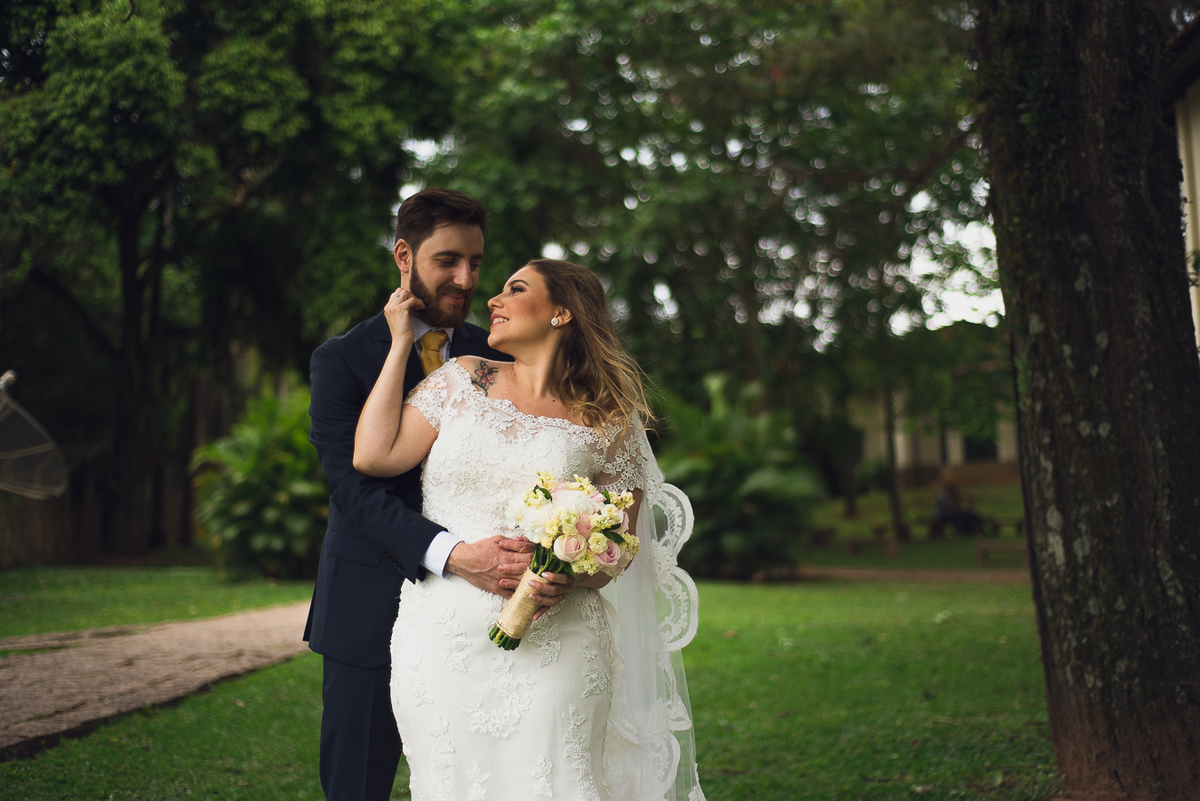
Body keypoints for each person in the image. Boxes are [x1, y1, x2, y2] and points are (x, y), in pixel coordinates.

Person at [354, 259, 704, 800]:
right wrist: (399, 343)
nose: (493, 299)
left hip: (560, 639)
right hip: (442, 632)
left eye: (514, 289)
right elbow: (374, 456)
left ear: (561, 311)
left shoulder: (608, 417)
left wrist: (576, 575)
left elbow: (622, 546)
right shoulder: (463, 378)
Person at [303, 188, 576, 801]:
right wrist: (453, 554)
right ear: (404, 255)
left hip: (489, 616)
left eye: (476, 264)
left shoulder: (497, 350)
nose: (465, 279)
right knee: (358, 787)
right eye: (447, 261)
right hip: (367, 605)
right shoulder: (341, 360)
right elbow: (355, 488)